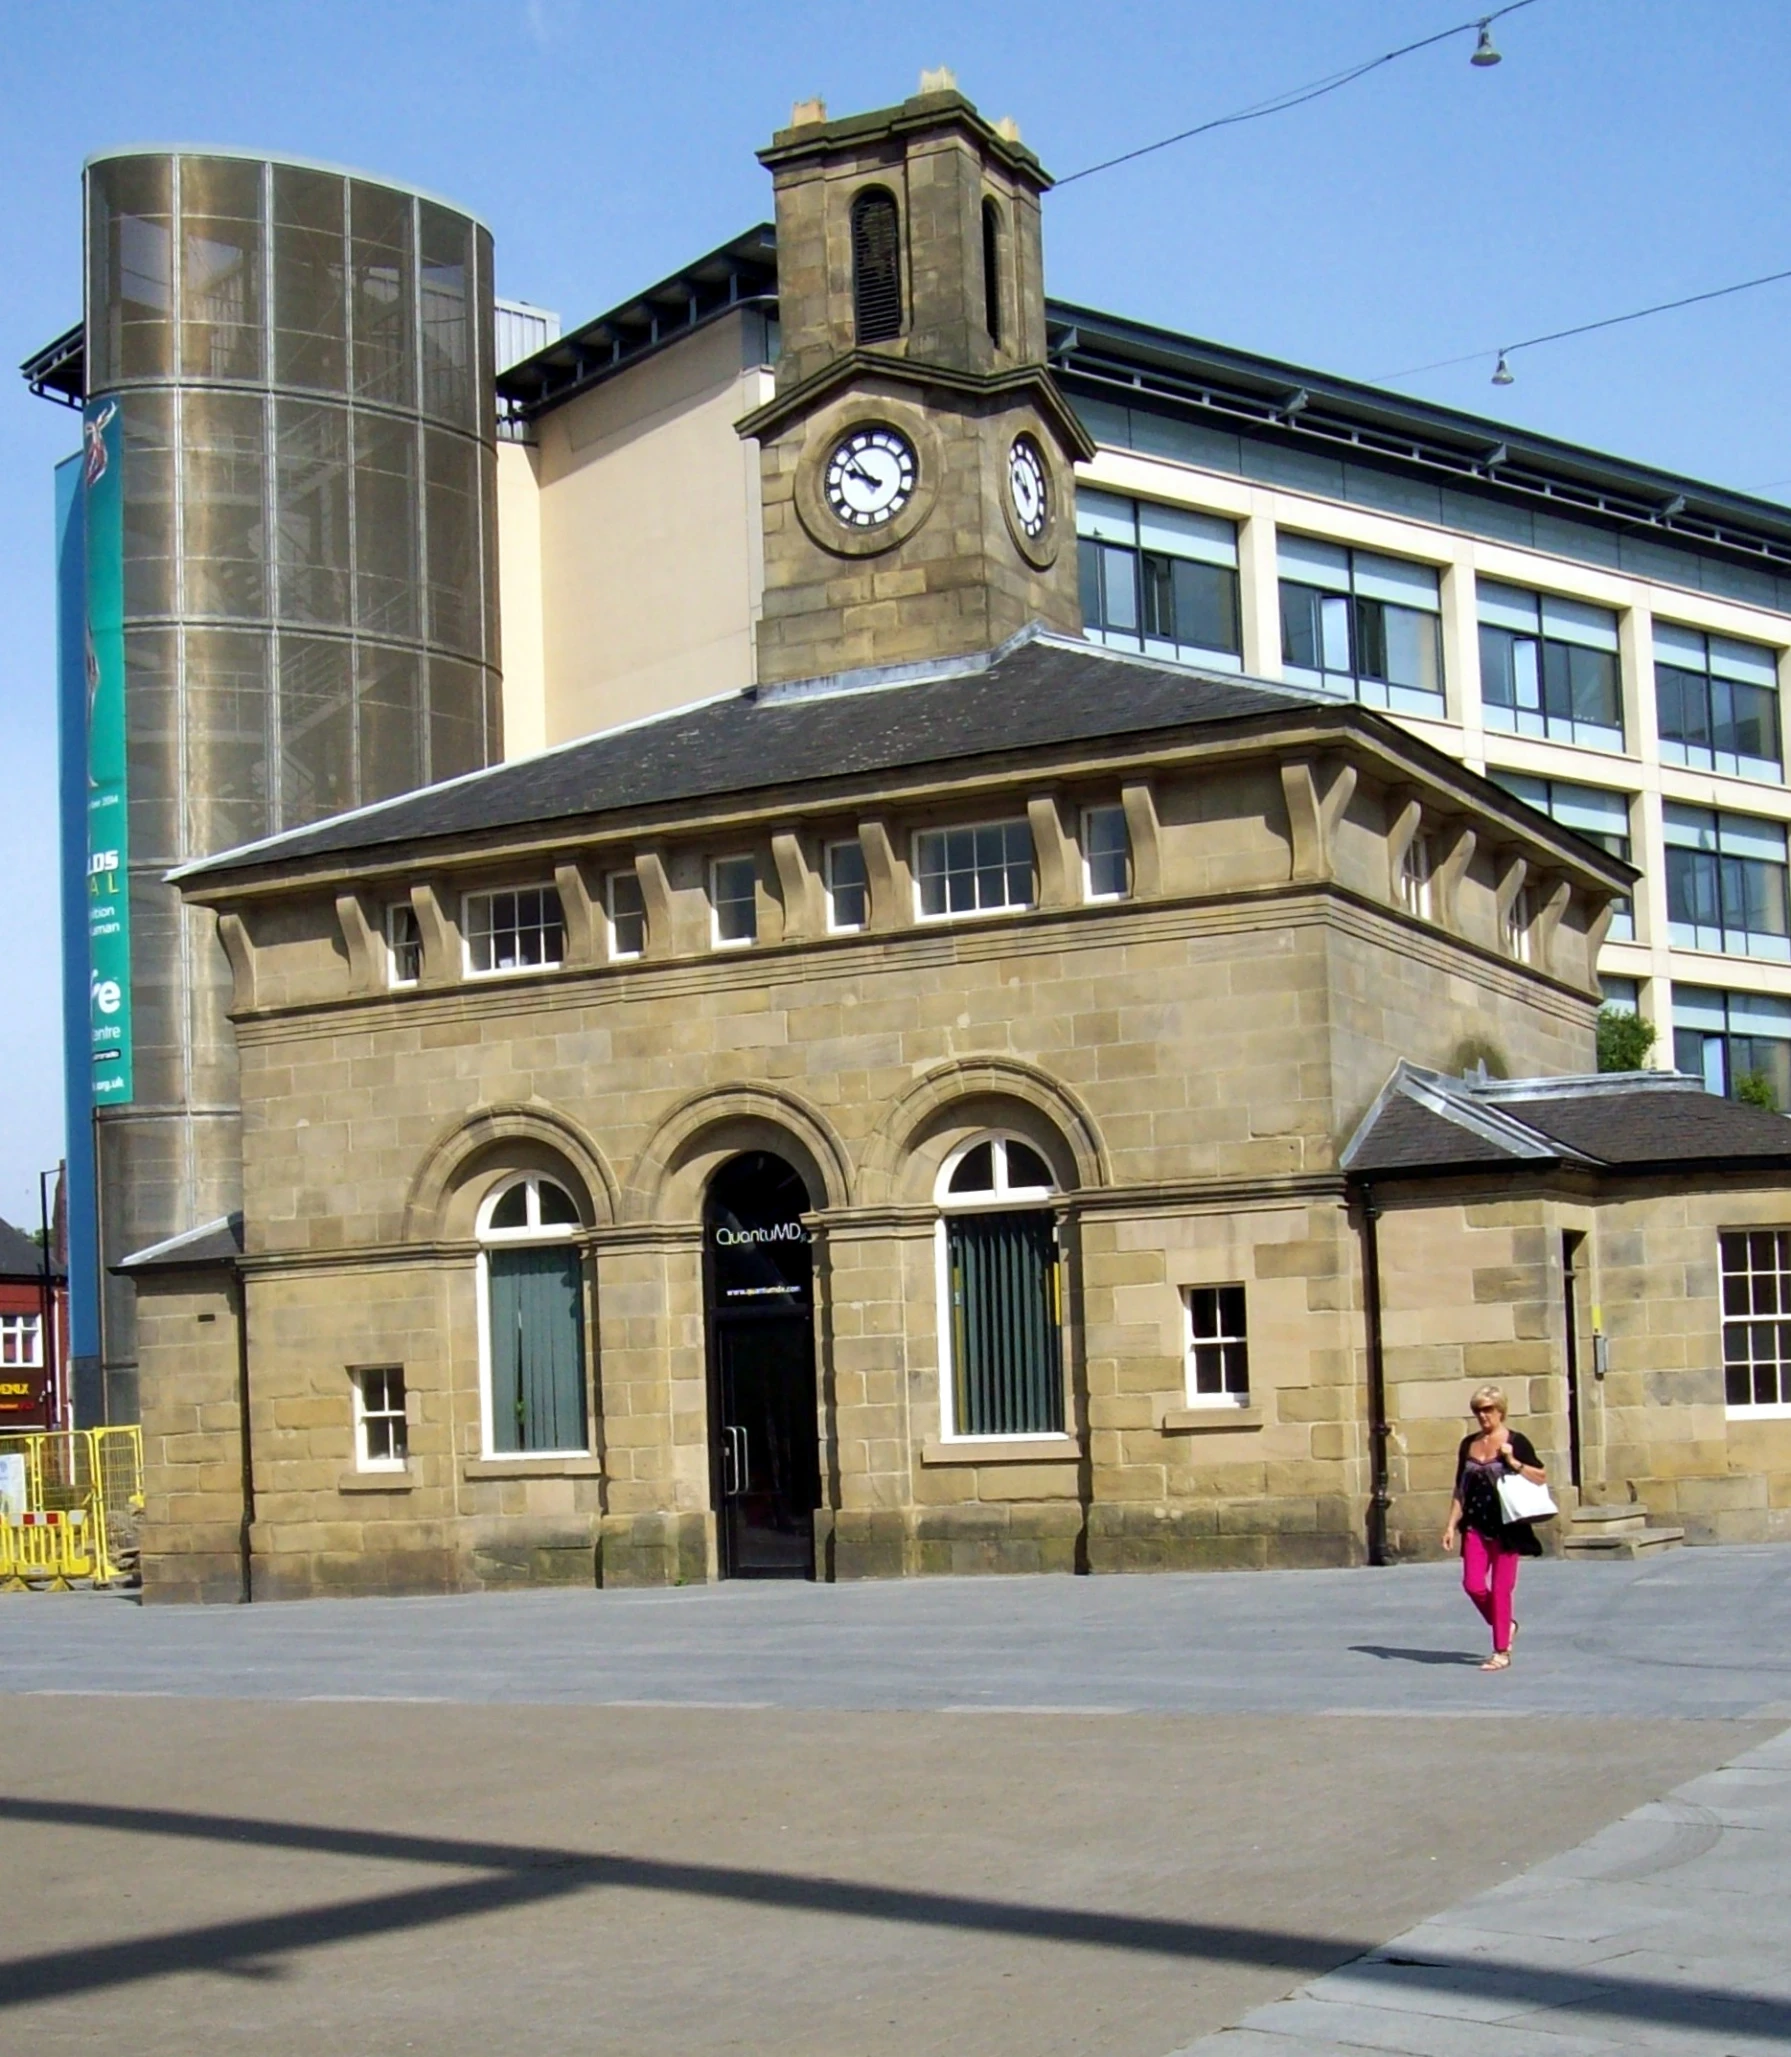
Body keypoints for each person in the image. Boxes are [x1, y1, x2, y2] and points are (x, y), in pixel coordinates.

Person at [1441, 1383, 1546, 1671]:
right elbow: (1460, 1488)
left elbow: (1541, 1476)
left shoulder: (1516, 1440)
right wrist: (1451, 1525)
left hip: (1507, 1526)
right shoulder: (1469, 1445)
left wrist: (1513, 1461)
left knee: (1501, 1590)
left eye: (1488, 1410)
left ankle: (1501, 1650)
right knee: (1473, 1584)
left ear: (1500, 1411)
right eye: (1478, 1411)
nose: (1483, 1416)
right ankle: (1506, 1624)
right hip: (1475, 1523)